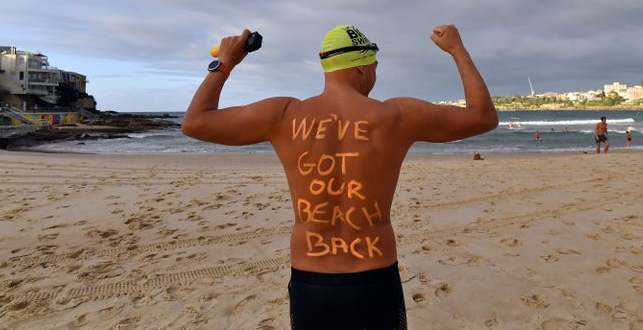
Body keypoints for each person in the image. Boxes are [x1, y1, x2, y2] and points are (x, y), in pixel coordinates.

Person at [182, 24, 498, 329]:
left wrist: (225, 63)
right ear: (361, 67)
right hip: (375, 276)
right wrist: (457, 49)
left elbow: (195, 122)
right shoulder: (398, 116)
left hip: (312, 282)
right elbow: (483, 116)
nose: (375, 73)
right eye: (374, 65)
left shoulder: (283, 115)